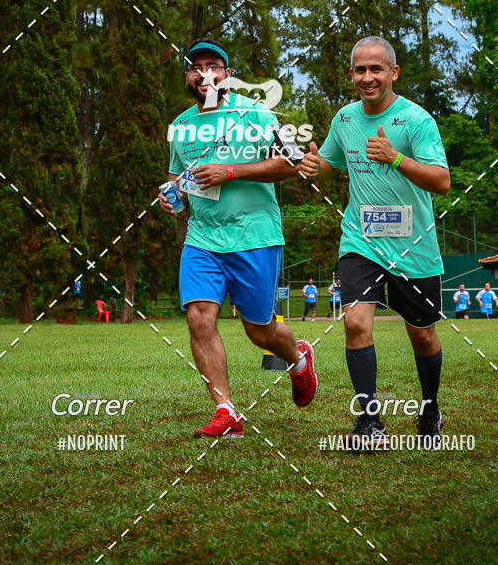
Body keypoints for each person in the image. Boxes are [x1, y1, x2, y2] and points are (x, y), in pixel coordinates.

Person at [159, 37, 319, 438]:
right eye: (196, 67)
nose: (204, 73)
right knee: (199, 317)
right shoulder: (180, 126)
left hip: (255, 235)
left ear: (227, 75)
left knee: (259, 330)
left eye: (213, 66)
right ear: (188, 77)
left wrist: (230, 171)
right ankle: (226, 412)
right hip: (202, 238)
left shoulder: (257, 113)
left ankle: (298, 358)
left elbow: (291, 163)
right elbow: (181, 179)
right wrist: (173, 196)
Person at [302, 36, 451, 449]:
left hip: (412, 245)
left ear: (393, 73)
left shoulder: (416, 120)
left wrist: (396, 158)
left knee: (422, 335)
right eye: (360, 70)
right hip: (361, 240)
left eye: (376, 69)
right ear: (351, 74)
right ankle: (369, 421)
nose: (367, 77)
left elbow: (442, 181)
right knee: (355, 322)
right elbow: (329, 167)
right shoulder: (345, 119)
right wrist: (315, 168)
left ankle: (431, 409)